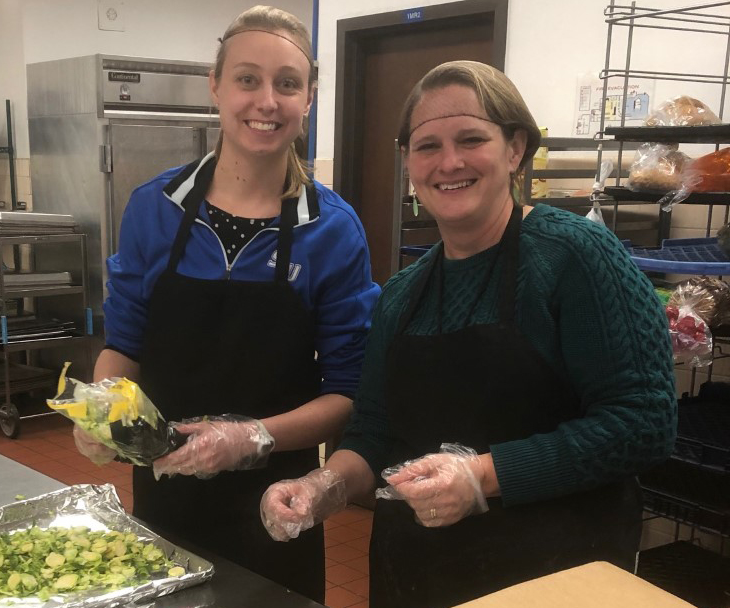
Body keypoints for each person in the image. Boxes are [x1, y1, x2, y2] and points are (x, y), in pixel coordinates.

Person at [260, 60, 677, 607]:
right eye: (427, 146)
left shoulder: (573, 255)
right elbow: (375, 432)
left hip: (557, 577)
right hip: (417, 576)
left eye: (471, 138)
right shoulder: (403, 296)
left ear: (514, 148)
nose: (448, 162)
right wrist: (323, 487)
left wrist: (482, 475)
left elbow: (644, 421)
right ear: (409, 163)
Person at [72, 5, 379, 603]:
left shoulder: (333, 231)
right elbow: (124, 346)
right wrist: (104, 407)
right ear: (215, 87)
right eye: (247, 79)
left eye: (287, 84)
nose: (267, 100)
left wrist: (249, 438)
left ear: (309, 97)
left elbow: (348, 393)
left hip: (278, 504)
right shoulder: (153, 209)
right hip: (163, 495)